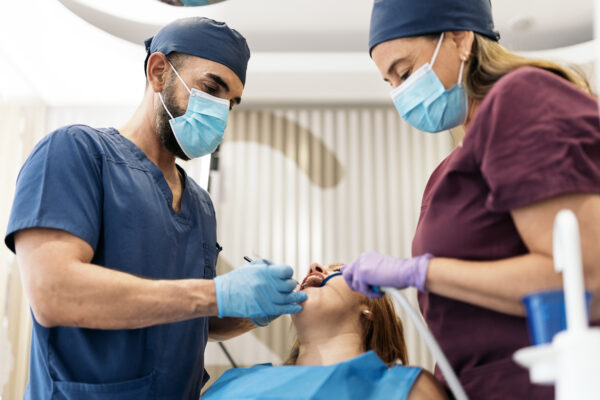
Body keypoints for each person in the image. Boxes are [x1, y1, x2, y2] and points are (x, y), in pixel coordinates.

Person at [4, 17, 306, 400]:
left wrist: (254, 307)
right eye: (211, 88)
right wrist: (217, 293)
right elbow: (53, 292)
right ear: (159, 71)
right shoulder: (74, 153)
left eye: (230, 102)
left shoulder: (200, 204)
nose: (221, 112)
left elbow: (189, 315)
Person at [342, 0, 600, 399]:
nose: (401, 93)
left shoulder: (521, 97)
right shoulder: (448, 171)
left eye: (406, 72)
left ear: (461, 39)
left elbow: (584, 281)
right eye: (390, 83)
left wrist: (420, 273)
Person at [203, 263, 448, 400]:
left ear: (369, 307)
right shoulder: (232, 383)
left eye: (338, 269)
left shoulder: (410, 390)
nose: (315, 266)